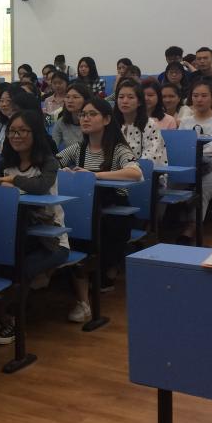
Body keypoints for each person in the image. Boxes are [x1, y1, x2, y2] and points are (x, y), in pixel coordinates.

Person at [0, 110, 66, 344]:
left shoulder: (48, 161)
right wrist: (3, 184)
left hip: (50, 241)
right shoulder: (7, 161)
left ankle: (9, 321)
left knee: (21, 269)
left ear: (35, 133)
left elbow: (41, 186)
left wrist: (13, 180)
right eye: (12, 131)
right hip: (15, 235)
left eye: (23, 131)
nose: (16, 136)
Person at [57, 97, 142, 322]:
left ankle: (85, 300)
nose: (85, 118)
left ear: (106, 119)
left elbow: (135, 173)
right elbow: (52, 165)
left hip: (112, 213)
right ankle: (82, 293)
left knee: (83, 236)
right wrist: (64, 172)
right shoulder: (78, 148)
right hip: (83, 211)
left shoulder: (118, 149)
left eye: (92, 114)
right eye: (83, 114)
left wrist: (94, 175)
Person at [178, 80, 212, 242]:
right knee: (162, 184)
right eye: (195, 96)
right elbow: (180, 146)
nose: (199, 99)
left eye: (204, 95)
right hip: (190, 168)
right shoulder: (186, 121)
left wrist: (195, 153)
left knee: (202, 190)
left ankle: (191, 227)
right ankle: (154, 225)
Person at [114, 81, 168, 165]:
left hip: (143, 170)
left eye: (130, 97)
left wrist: (129, 167)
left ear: (139, 102)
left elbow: (151, 156)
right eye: (121, 97)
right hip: (115, 171)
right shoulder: (112, 124)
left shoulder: (150, 125)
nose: (125, 101)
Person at [52, 83, 91, 150]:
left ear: (86, 100)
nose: (70, 101)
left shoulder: (93, 120)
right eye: (67, 97)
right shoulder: (61, 122)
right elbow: (53, 146)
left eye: (75, 97)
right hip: (70, 156)